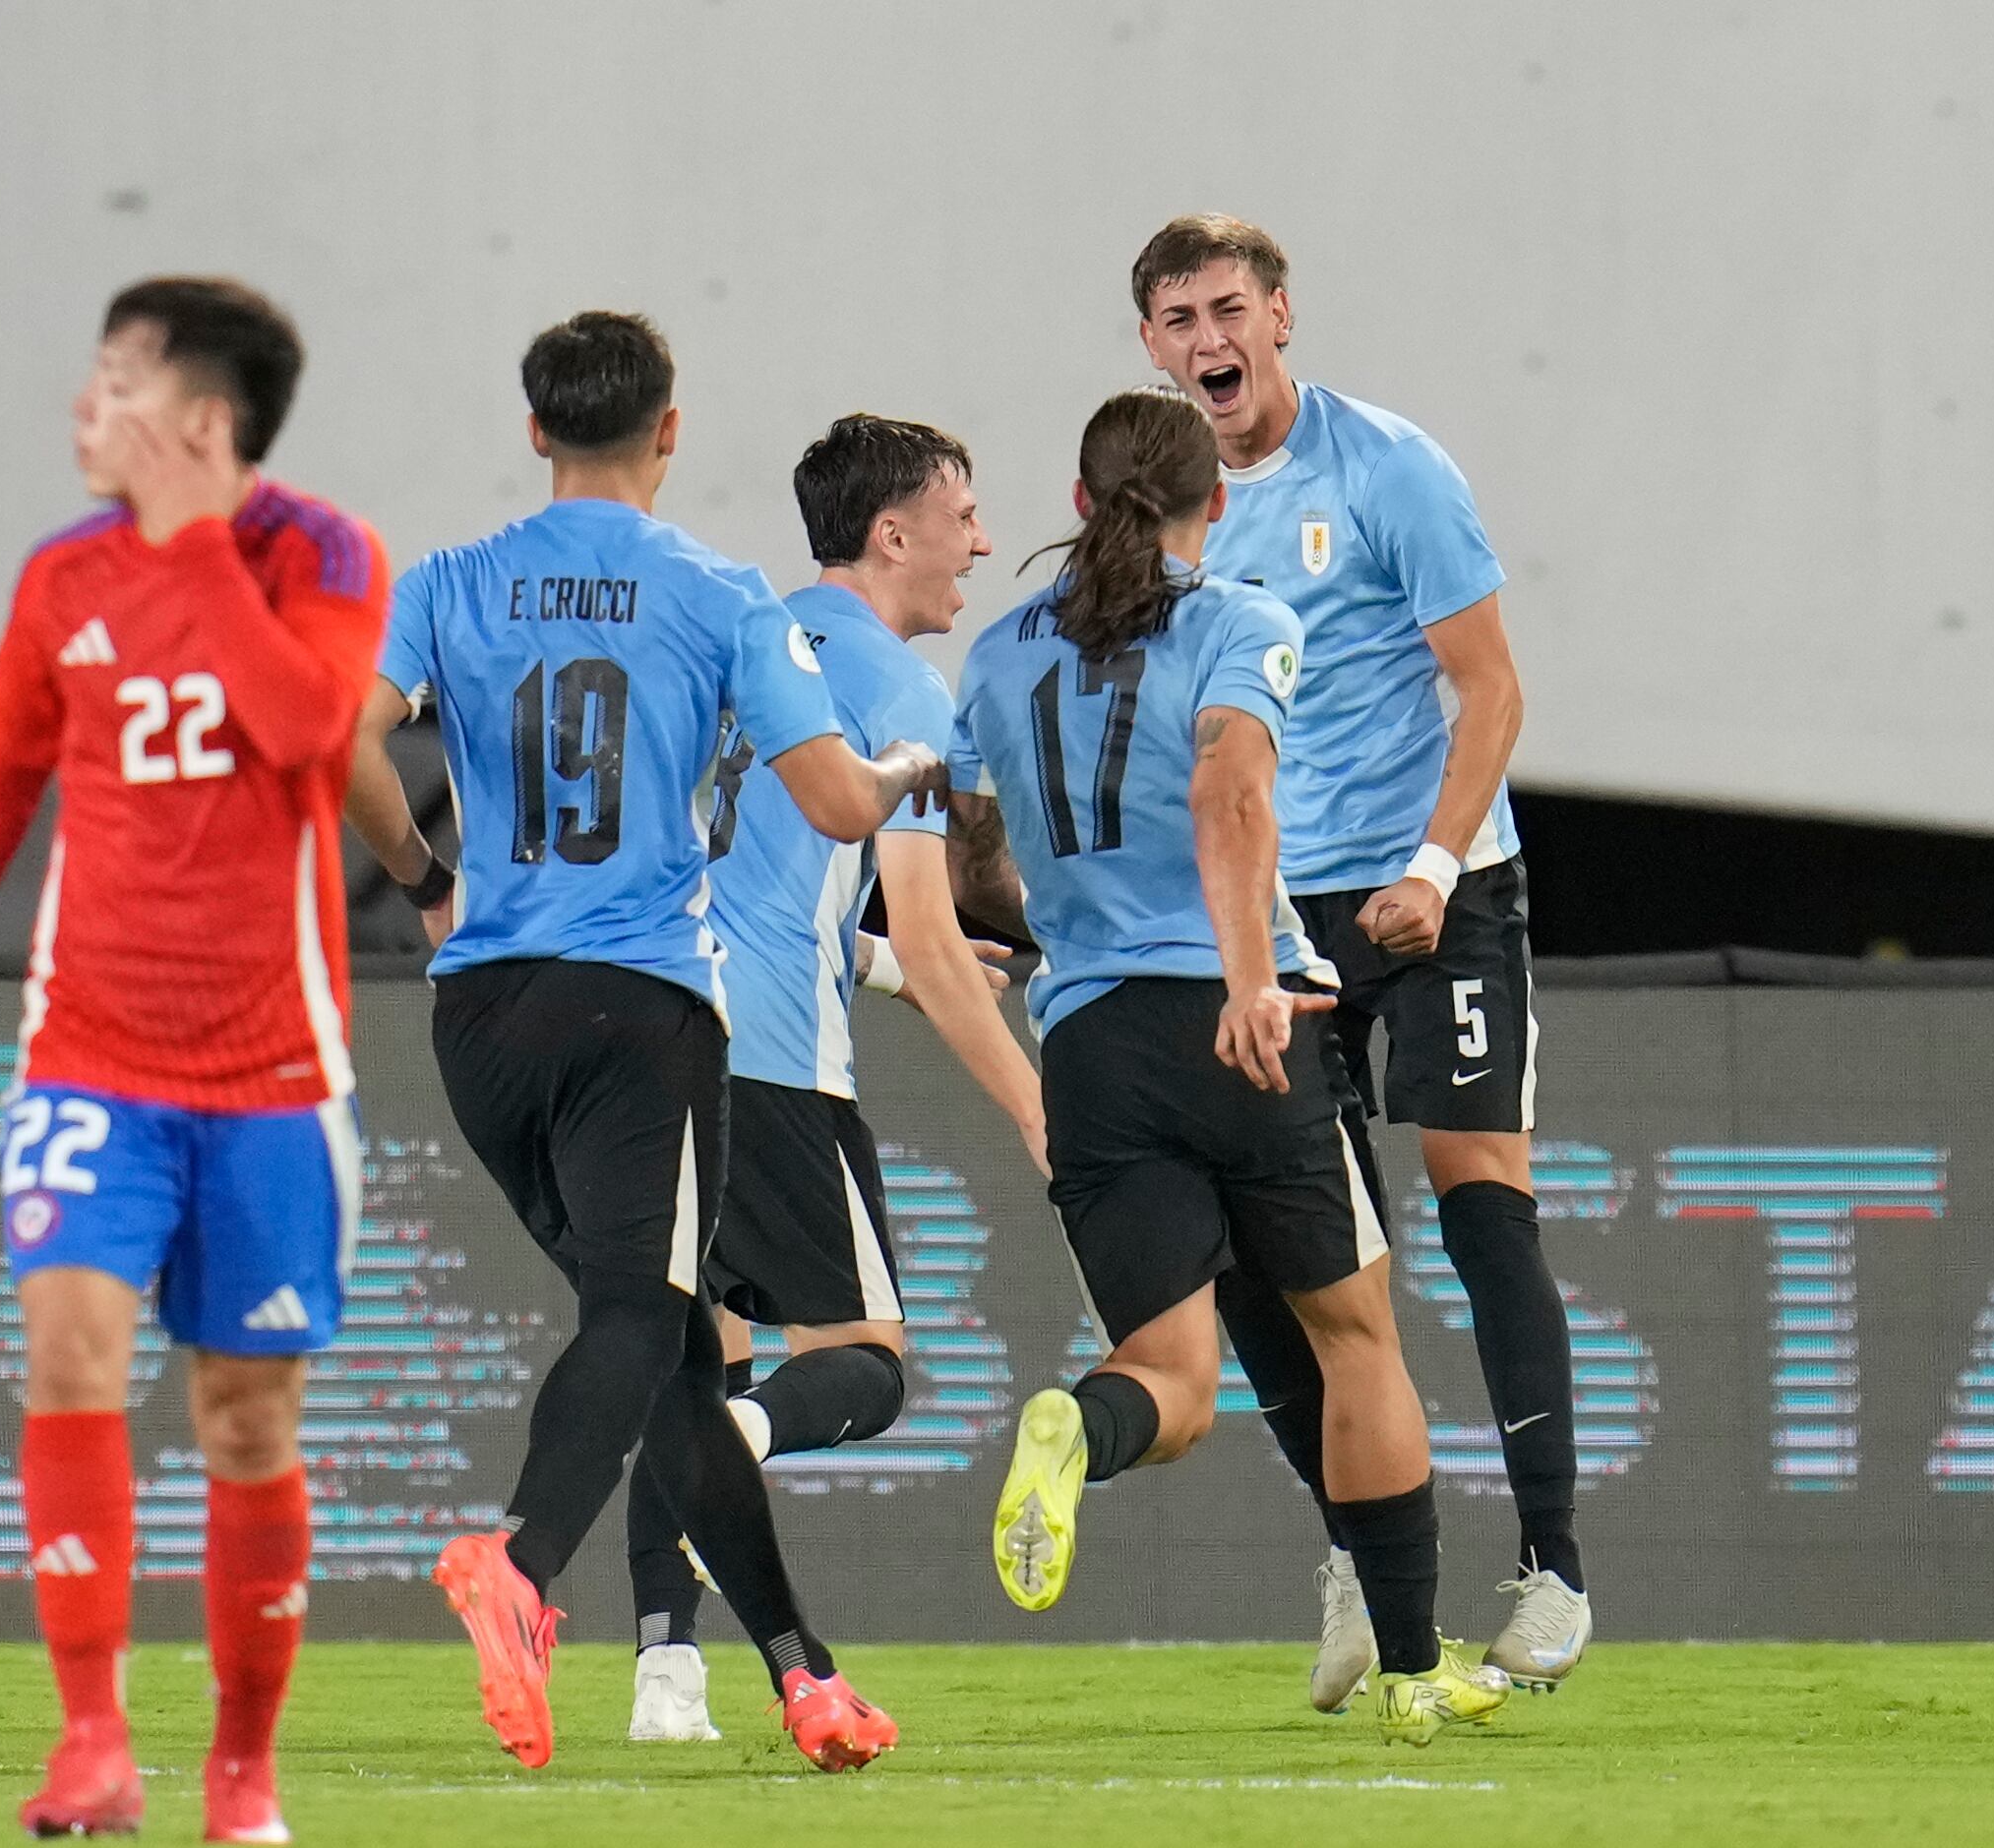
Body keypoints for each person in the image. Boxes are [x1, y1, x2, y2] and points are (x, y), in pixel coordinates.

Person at [0, 276, 388, 1843]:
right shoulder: (58, 574)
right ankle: (92, 1746)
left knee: (243, 1425)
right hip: (92, 1061)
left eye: (116, 385)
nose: (86, 413)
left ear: (201, 422)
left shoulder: (321, 554)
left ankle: (242, 1774)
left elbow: (302, 733)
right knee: (69, 1359)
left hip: (275, 1076)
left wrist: (198, 541)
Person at [344, 313, 933, 1773]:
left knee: (673, 1352)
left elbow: (333, 744)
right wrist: (908, 762)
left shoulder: (450, 581)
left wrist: (425, 884)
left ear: (535, 431)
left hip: (482, 1018)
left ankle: (804, 1676)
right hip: (639, 1009)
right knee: (635, 1324)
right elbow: (842, 806)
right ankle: (523, 1569)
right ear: (669, 432)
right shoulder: (720, 594)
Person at [946, 387, 1506, 1748]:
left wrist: (1061, 929)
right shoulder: (1239, 621)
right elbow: (1230, 791)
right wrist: (1252, 972)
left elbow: (972, 855)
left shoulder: (996, 651)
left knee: (1173, 1380)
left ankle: (1078, 1431)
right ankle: (1411, 1665)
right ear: (1216, 503)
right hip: (1235, 1027)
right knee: (1354, 1337)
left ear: (1078, 506)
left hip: (1085, 1038)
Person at [1131, 212, 1589, 1700]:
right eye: (1176, 319)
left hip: (1438, 887)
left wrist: (1431, 866)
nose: (1207, 341)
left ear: (1279, 317)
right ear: (1150, 346)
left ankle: (1552, 1572)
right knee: (1287, 1254)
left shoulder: (1386, 465)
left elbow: (1490, 688)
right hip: (1281, 925)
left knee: (1479, 1202)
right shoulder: (1166, 517)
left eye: (1226, 310)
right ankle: (1351, 1554)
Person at [622, 415, 1050, 1744]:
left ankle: (663, 1679)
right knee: (864, 1368)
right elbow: (930, 931)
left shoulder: (734, 644)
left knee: (696, 1360)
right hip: (769, 1063)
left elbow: (721, 864)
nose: (981, 540)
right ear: (891, 532)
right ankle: (738, 1452)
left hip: (644, 1038)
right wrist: (1048, 1120)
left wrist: (869, 959)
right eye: (963, 513)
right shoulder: (901, 697)